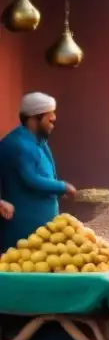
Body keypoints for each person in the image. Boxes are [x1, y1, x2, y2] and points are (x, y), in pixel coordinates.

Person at [0, 93, 75, 250]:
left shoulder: (39, 142)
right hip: (24, 228)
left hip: (45, 226)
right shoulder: (17, 145)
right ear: (34, 119)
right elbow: (31, 178)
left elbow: (49, 174)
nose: (53, 124)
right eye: (50, 120)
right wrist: (62, 187)